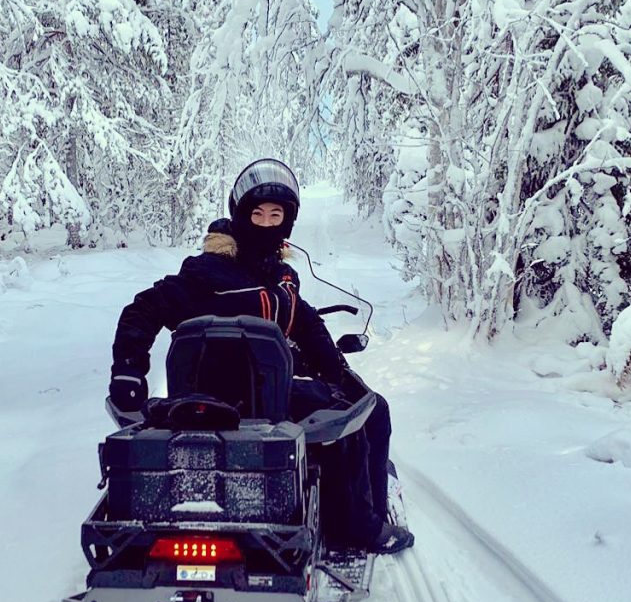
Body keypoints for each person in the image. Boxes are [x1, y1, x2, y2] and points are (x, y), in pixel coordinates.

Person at [108, 158, 414, 554]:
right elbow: (143, 310)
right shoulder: (207, 272)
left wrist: (339, 372)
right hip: (233, 401)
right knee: (361, 418)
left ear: (287, 221)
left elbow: (306, 325)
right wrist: (129, 372)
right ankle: (358, 527)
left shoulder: (279, 277)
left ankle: (352, 498)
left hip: (267, 393)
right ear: (240, 215)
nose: (267, 223)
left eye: (276, 215)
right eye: (257, 213)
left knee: (366, 404)